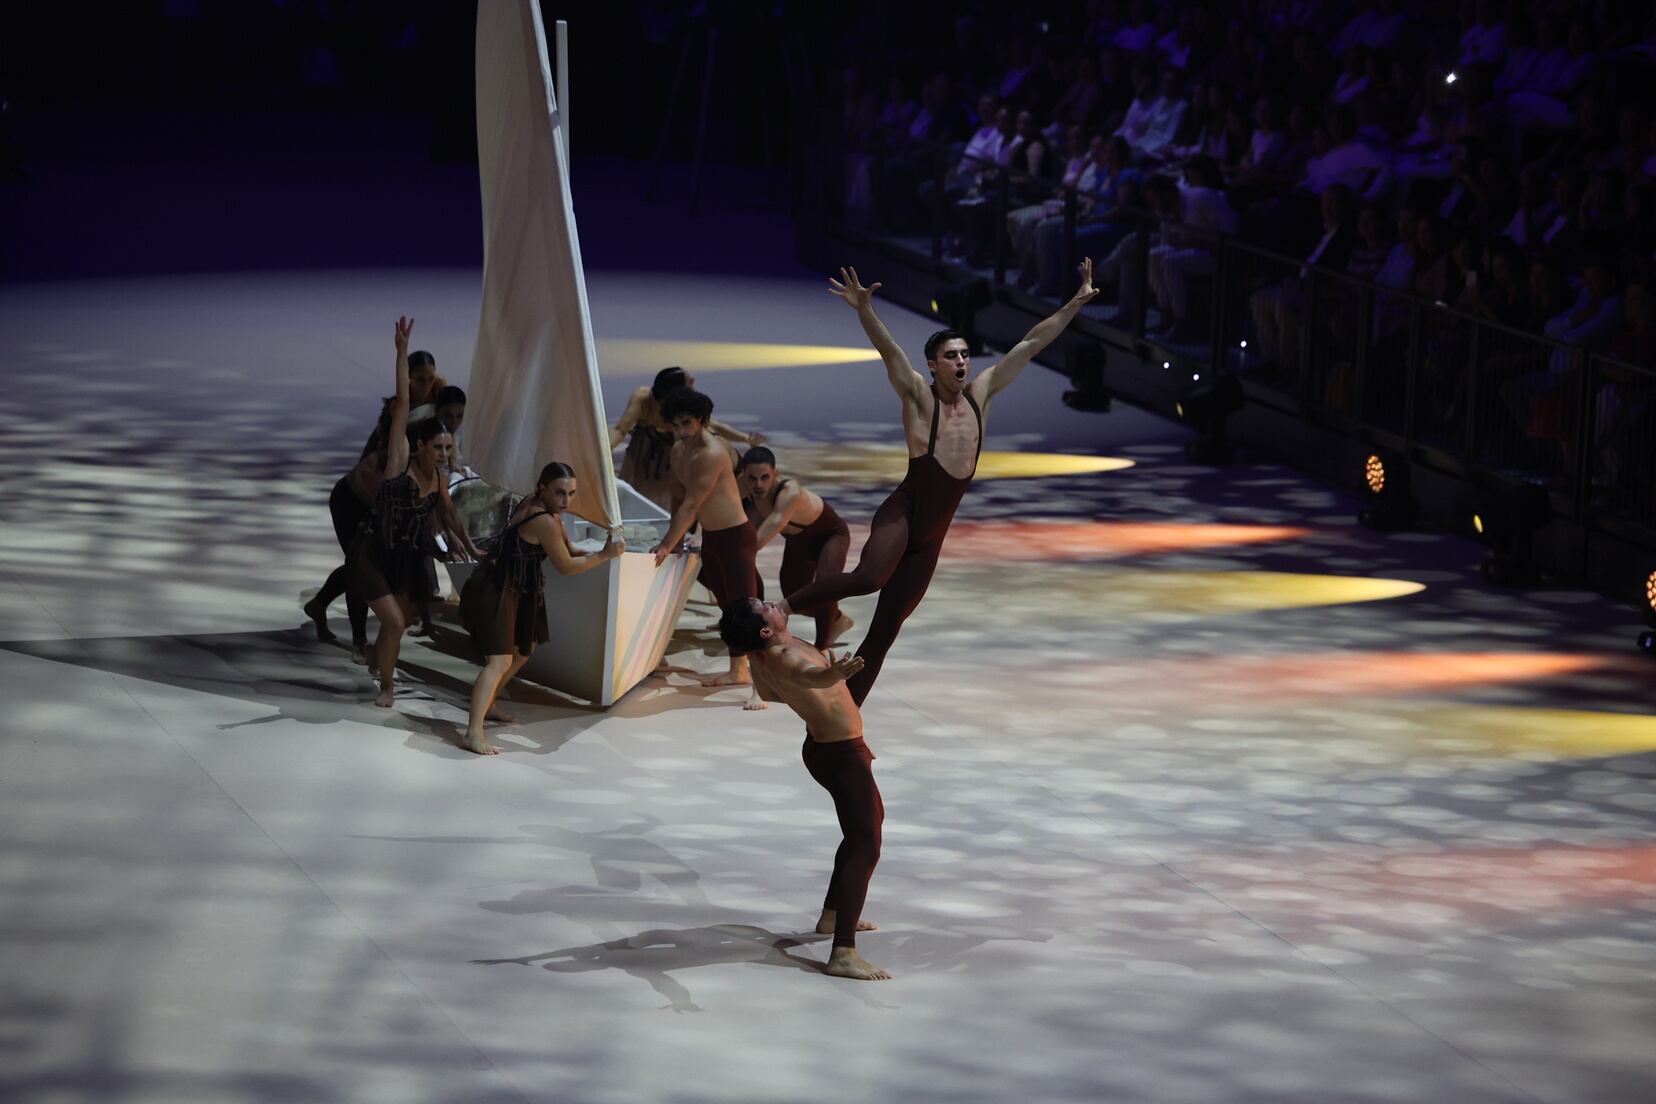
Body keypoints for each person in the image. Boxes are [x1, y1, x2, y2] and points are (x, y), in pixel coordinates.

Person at [781, 262, 1098, 705]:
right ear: (933, 366)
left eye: (965, 354)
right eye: (951, 356)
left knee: (886, 630)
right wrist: (864, 309)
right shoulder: (919, 396)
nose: (962, 361)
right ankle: (781, 609)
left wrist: (1075, 303)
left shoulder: (982, 393)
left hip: (933, 534)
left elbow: (1031, 343)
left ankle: (846, 714)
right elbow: (889, 350)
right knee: (869, 577)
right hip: (904, 513)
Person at [719, 597, 888, 982]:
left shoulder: (761, 656)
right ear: (766, 629)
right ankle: (843, 953)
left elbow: (771, 693)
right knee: (867, 844)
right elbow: (811, 677)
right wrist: (832, 675)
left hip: (830, 748)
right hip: (840, 755)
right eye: (764, 606)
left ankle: (833, 915)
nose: (772, 603)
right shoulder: (785, 655)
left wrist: (817, 700)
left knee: (859, 835)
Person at [346, 317, 482, 708]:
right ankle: (387, 687)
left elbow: (450, 517)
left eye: (448, 449)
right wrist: (401, 351)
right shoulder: (399, 462)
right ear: (420, 445)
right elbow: (403, 405)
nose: (443, 454)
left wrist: (472, 547)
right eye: (437, 448)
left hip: (402, 562)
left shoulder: (438, 478)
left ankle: (376, 658)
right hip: (372, 555)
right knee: (394, 622)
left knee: (400, 623)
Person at [458, 462, 624, 755]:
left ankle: (489, 704)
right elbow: (567, 566)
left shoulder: (546, 511)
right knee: (499, 662)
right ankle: (473, 733)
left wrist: (600, 551)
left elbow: (568, 549)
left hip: (518, 588)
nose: (566, 500)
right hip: (498, 589)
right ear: (542, 489)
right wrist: (605, 556)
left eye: (571, 493)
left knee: (523, 650)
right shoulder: (544, 519)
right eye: (560, 493)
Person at [652, 387, 762, 693]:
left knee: (745, 609)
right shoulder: (678, 450)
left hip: (735, 536)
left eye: (686, 423)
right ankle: (741, 670)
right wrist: (677, 537)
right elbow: (678, 496)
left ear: (701, 420)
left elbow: (692, 505)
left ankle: (751, 675)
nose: (681, 431)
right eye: (675, 424)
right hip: (712, 536)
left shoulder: (713, 453)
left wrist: (667, 544)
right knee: (728, 607)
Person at [738, 447, 853, 652]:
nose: (758, 484)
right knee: (797, 599)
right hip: (798, 542)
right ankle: (836, 619)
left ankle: (821, 648)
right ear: (743, 475)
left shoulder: (790, 492)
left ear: (775, 473)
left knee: (823, 587)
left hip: (830, 537)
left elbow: (761, 538)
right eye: (752, 478)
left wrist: (733, 553)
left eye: (765, 477)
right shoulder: (741, 485)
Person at [609, 366, 766, 510]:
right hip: (644, 451)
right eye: (688, 380)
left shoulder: (687, 413)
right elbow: (621, 429)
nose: (693, 381)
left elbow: (713, 425)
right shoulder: (643, 397)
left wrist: (746, 438)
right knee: (637, 493)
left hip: (670, 453)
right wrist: (604, 452)